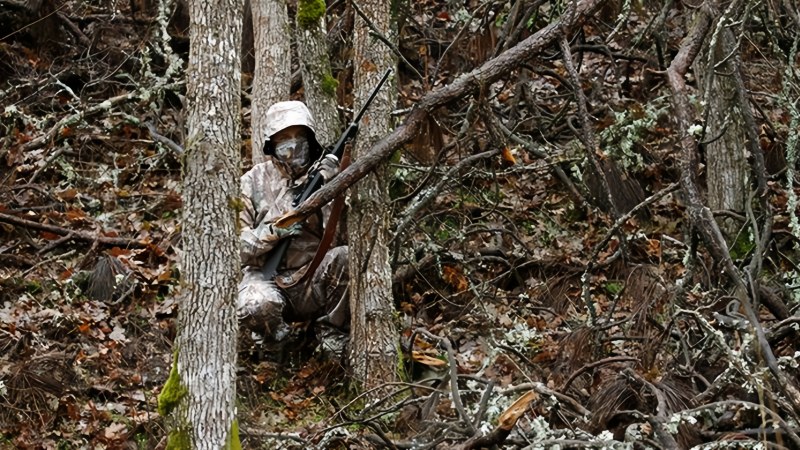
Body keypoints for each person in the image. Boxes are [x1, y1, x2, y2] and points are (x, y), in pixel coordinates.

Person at [237, 101, 349, 357]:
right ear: (271, 143)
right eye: (284, 137)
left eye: (300, 135)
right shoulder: (251, 182)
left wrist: (332, 189)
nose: (294, 143)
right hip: (268, 280)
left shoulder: (325, 175)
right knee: (255, 303)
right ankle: (276, 344)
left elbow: (342, 237)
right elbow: (236, 247)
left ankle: (331, 338)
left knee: (345, 256)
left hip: (312, 278)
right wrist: (273, 231)